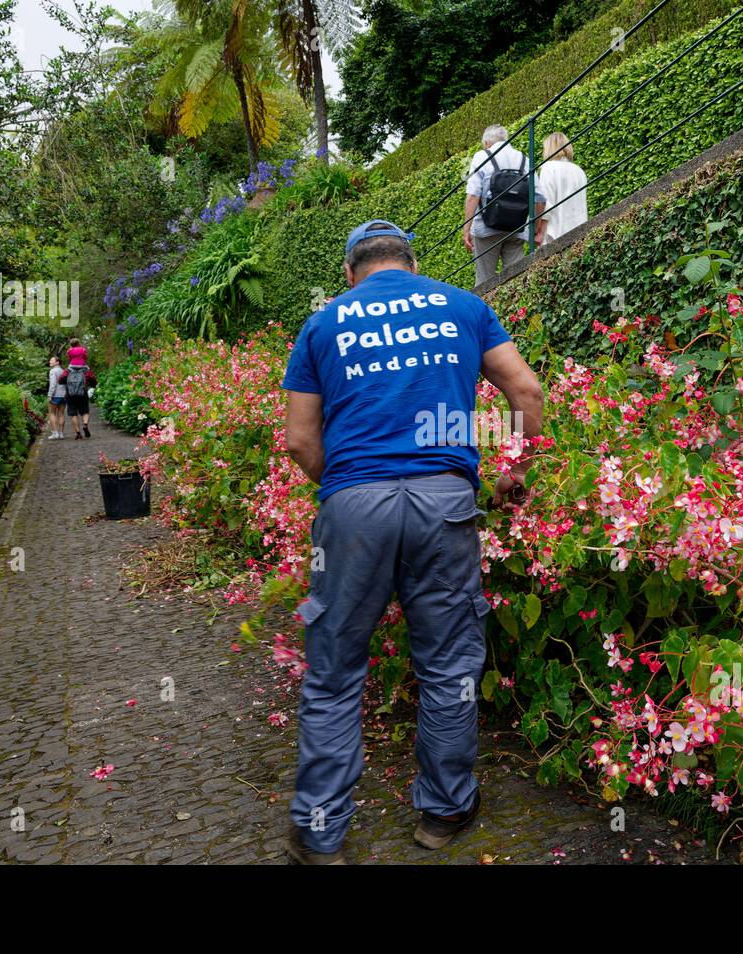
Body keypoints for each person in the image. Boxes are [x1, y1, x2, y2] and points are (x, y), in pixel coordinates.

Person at [281, 219, 544, 864]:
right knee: (449, 665)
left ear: (352, 273)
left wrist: (343, 489)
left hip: (353, 506)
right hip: (444, 504)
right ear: (410, 264)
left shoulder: (323, 324)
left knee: (335, 674)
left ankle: (320, 836)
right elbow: (526, 389)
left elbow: (299, 441)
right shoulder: (462, 306)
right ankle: (444, 813)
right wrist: (515, 465)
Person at [463, 124, 547, 287]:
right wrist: (534, 229)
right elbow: (540, 199)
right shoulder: (525, 160)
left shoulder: (482, 156)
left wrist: (467, 229)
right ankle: (517, 312)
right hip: (516, 229)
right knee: (516, 280)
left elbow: (473, 195)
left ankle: (488, 311)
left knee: (484, 282)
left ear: (487, 143)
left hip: (485, 230)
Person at [536, 132, 588, 246]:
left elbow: (547, 204)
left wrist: (540, 232)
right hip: (580, 231)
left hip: (556, 233)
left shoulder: (548, 168)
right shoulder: (579, 171)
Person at [60, 360, 96, 440]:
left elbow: (60, 380)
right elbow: (94, 381)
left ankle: (78, 433)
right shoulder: (86, 370)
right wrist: (91, 384)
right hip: (82, 394)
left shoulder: (68, 371)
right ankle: (85, 424)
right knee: (85, 412)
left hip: (70, 395)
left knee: (73, 414)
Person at [46, 355, 67, 440]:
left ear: (57, 362)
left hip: (55, 395)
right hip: (63, 395)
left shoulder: (52, 371)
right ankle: (61, 433)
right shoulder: (63, 371)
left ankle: (55, 433)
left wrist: (50, 394)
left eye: (52, 360)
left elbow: (53, 384)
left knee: (52, 413)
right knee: (61, 414)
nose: (50, 361)